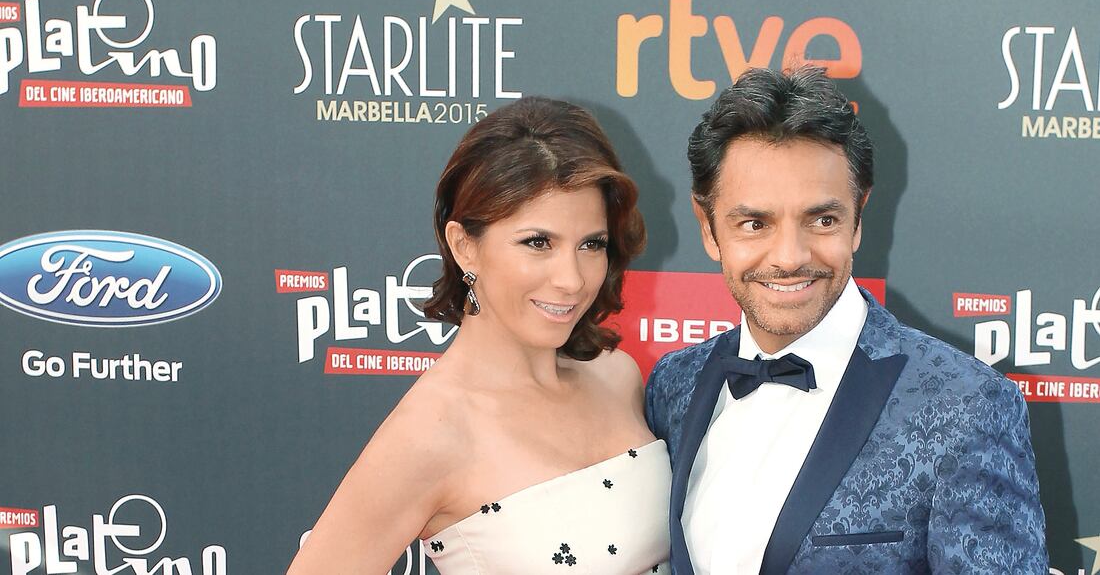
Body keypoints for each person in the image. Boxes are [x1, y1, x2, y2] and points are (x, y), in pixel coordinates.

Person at [645, 67, 1047, 574]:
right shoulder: (675, 384)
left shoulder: (966, 406)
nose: (789, 256)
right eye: (754, 223)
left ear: (858, 218)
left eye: (822, 220)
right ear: (708, 228)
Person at [287, 97, 671, 574]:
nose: (572, 279)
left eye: (591, 244)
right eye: (538, 243)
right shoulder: (429, 434)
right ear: (464, 246)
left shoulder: (617, 377)